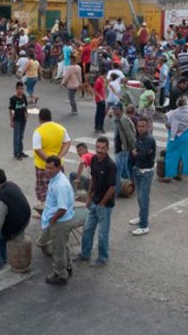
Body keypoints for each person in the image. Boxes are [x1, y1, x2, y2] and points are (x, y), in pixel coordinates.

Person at [75, 136, 116, 266]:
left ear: (107, 149)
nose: (99, 150)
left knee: (102, 234)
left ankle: (102, 258)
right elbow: (92, 178)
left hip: (105, 205)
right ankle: (85, 254)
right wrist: (88, 197)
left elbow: (112, 187)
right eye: (98, 147)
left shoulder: (110, 165)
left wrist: (103, 203)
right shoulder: (93, 160)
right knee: (87, 229)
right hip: (94, 201)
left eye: (103, 148)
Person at [41, 156, 75, 285]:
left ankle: (60, 274)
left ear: (58, 167)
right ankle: (68, 266)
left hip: (60, 221)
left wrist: (52, 220)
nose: (48, 171)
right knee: (63, 245)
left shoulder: (60, 184)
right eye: (46, 167)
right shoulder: (56, 178)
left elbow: (62, 209)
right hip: (62, 219)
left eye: (51, 168)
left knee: (58, 249)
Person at [32, 109, 72, 202]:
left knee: (44, 190)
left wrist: (49, 161)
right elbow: (67, 142)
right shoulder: (60, 128)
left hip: (43, 166)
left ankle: (46, 212)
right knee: (58, 189)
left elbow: (38, 149)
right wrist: (59, 157)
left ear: (39, 119)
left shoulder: (38, 131)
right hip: (58, 165)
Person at [130, 118, 156, 235]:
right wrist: (135, 153)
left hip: (146, 172)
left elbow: (143, 155)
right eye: (139, 126)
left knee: (143, 199)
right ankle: (141, 217)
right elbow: (136, 152)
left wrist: (136, 153)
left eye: (143, 126)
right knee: (140, 197)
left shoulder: (149, 139)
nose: (140, 128)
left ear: (147, 127)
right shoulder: (139, 137)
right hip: (138, 170)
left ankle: (144, 225)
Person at [162, 97, 188, 181]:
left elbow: (168, 125)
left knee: (170, 155)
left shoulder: (173, 113)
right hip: (185, 136)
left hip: (174, 136)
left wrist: (173, 126)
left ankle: (168, 176)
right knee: (181, 155)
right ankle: (178, 174)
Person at [112, 102, 137, 198]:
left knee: (118, 170)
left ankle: (116, 192)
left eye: (116, 109)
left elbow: (130, 136)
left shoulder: (123, 120)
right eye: (113, 109)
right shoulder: (118, 119)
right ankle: (129, 185)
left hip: (122, 149)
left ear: (121, 110)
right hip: (121, 149)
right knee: (124, 169)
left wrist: (133, 148)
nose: (114, 111)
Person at [9, 81, 29, 160]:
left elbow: (25, 107)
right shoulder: (13, 99)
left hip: (23, 119)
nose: (21, 90)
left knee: (21, 136)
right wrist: (11, 121)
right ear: (16, 89)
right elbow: (11, 110)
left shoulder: (23, 96)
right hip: (16, 120)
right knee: (16, 137)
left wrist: (26, 114)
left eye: (22, 89)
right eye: (20, 89)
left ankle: (21, 151)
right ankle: (16, 153)